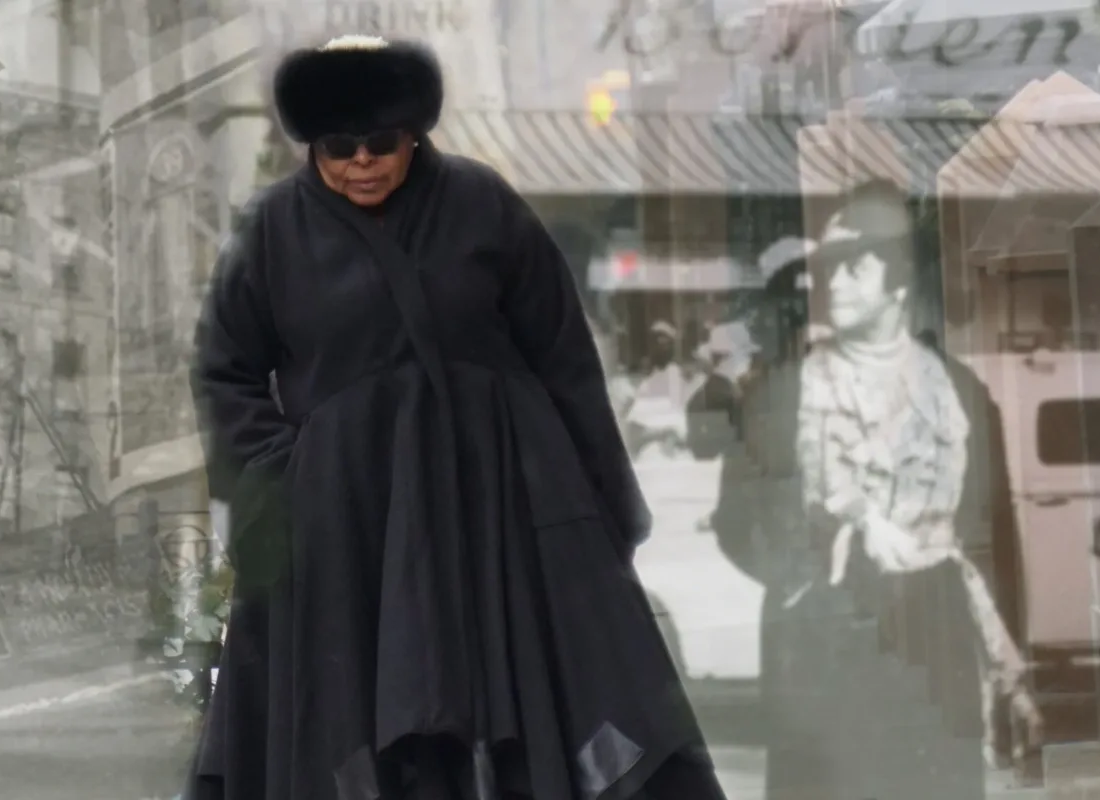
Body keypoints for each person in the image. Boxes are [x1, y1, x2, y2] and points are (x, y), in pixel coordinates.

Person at [187, 35, 726, 800]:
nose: (362, 162)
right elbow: (224, 370)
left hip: (498, 502)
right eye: (339, 146)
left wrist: (598, 508)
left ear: (415, 134)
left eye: (381, 141)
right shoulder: (271, 229)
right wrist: (285, 483)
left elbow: (563, 357)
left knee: (541, 701)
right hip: (353, 520)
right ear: (311, 147)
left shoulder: (484, 204)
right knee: (366, 725)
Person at [687, 180, 1036, 800]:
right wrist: (806, 576)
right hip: (824, 651)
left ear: (899, 280)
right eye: (829, 269)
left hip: (936, 647)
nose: (835, 283)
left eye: (855, 266)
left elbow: (995, 542)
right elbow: (738, 518)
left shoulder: (962, 396)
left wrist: (1008, 670)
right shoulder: (781, 395)